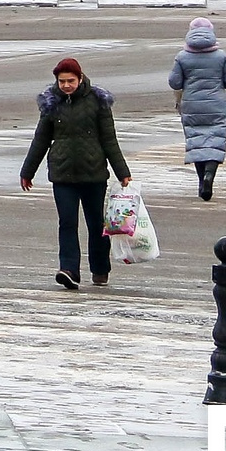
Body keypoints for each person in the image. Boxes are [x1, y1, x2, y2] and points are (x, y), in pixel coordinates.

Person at [19, 55, 133, 289]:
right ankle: (68, 269)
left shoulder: (98, 101)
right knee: (67, 223)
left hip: (94, 174)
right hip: (63, 175)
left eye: (70, 80)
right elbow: (40, 140)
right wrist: (27, 171)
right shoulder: (51, 104)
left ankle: (100, 269)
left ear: (80, 79)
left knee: (96, 224)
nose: (66, 85)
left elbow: (110, 140)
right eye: (62, 81)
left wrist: (122, 171)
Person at [169, 16, 226, 201]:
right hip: (216, 104)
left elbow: (174, 82)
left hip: (192, 105)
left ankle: (202, 182)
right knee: (214, 141)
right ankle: (210, 175)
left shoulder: (182, 56)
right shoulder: (221, 56)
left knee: (197, 141)